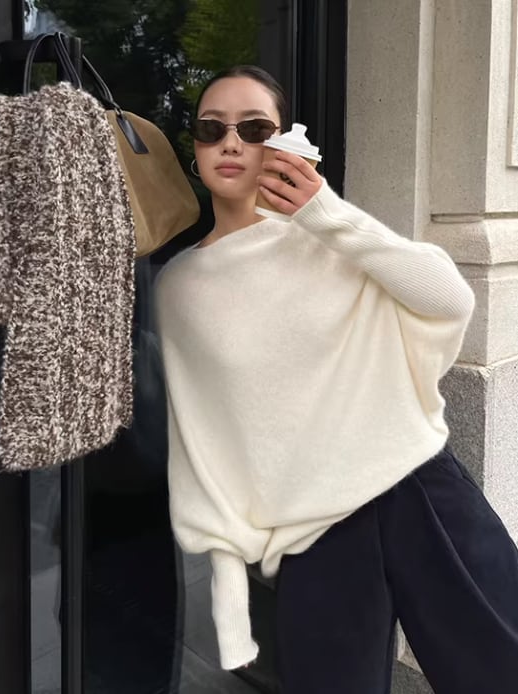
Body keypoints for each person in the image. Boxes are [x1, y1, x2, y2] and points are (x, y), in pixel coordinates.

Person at [154, 65, 518, 694]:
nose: (231, 142)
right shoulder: (178, 286)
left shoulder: (326, 236)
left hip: (414, 486)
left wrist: (325, 213)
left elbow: (451, 298)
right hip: (312, 533)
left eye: (253, 128)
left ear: (280, 142)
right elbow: (202, 438)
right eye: (212, 128)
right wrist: (230, 568)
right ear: (196, 147)